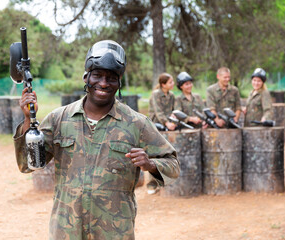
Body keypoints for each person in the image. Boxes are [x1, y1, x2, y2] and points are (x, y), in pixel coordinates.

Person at [13, 40, 180, 239]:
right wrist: (27, 119)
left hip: (114, 232)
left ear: (119, 83)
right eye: (97, 75)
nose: (103, 83)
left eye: (111, 78)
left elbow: (173, 165)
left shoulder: (137, 123)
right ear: (86, 77)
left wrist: (150, 163)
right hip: (67, 231)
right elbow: (27, 165)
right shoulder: (59, 119)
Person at [147, 72, 176, 194]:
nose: (173, 84)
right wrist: (166, 123)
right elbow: (158, 113)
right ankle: (152, 184)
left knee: (166, 155)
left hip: (167, 126)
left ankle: (164, 182)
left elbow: (172, 111)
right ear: (163, 84)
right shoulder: (156, 94)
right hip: (155, 127)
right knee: (154, 155)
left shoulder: (172, 95)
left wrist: (173, 120)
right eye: (170, 82)